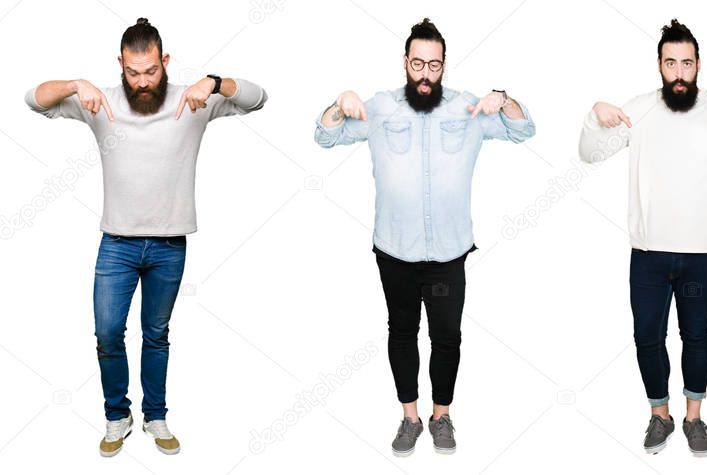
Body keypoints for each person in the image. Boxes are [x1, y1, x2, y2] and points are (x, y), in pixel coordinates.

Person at [25, 18, 268, 457]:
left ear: (165, 62)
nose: (142, 82)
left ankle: (155, 415)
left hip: (169, 245)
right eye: (133, 72)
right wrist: (75, 83)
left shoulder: (194, 100)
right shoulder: (99, 101)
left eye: (151, 71)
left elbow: (258, 99)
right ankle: (118, 415)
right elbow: (34, 100)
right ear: (120, 65)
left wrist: (214, 82)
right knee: (107, 333)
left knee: (156, 333)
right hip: (116, 244)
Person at [313, 18, 535, 457]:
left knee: (447, 336)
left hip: (449, 251)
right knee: (401, 331)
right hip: (395, 249)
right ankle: (410, 418)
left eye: (434, 65)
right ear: (405, 63)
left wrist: (505, 99)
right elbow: (325, 135)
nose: (425, 74)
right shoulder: (379, 108)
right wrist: (340, 102)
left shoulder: (468, 109)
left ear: (444, 66)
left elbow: (523, 130)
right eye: (418, 64)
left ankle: (442, 415)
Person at [578, 19, 707, 456]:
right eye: (670, 63)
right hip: (649, 252)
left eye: (686, 63)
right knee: (646, 337)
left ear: (698, 66)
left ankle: (694, 418)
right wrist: (593, 117)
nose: (679, 72)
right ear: (659, 65)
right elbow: (590, 153)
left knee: (696, 334)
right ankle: (660, 416)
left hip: (702, 252)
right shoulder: (638, 108)